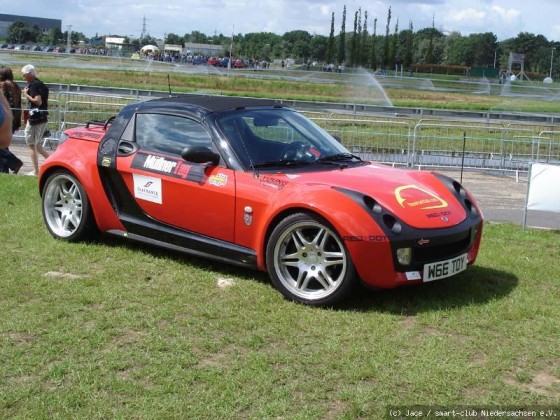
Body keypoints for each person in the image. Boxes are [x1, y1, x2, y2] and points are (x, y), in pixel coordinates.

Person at [21, 64, 49, 176]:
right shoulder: (41, 84)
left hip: (35, 118)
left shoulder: (33, 85)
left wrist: (26, 95)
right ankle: (51, 161)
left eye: (24, 75)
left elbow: (38, 101)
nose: (23, 78)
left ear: (29, 75)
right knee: (37, 144)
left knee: (31, 144)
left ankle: (35, 171)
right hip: (43, 117)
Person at [0, 66, 23, 174]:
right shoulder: (16, 86)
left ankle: (12, 163)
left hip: (4, 118)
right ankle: (6, 169)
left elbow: (2, 104)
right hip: (13, 119)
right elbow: (18, 105)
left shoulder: (3, 85)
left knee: (2, 146)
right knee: (3, 145)